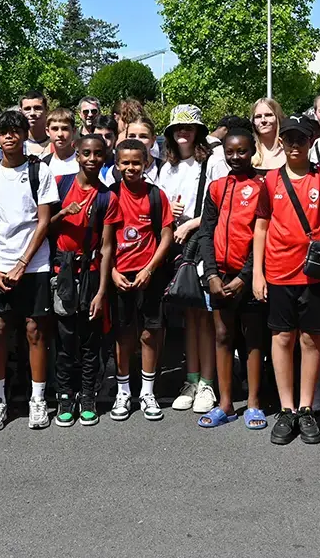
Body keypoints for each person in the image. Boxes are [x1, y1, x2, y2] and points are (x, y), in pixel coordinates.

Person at [253, 117, 320, 446]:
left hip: (314, 274)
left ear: (310, 141)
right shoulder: (271, 180)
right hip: (277, 271)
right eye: (288, 138)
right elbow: (261, 227)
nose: (294, 145)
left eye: (300, 139)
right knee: (282, 338)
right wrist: (258, 273)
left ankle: (306, 408)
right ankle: (286, 409)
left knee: (311, 340)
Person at [0, 110, 58, 430]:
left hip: (35, 265)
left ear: (26, 134)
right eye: (3, 132)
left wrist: (24, 262)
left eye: (15, 130)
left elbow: (44, 221)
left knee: (34, 331)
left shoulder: (40, 171)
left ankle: (37, 400)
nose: (9, 136)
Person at [196, 126, 268, 429]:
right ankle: (225, 404)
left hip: (249, 277)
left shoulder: (264, 185)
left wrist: (245, 275)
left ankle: (253, 403)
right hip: (220, 275)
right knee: (223, 336)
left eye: (242, 151)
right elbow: (206, 232)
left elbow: (265, 234)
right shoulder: (216, 187)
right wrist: (211, 274)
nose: (236, 157)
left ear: (253, 152)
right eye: (230, 152)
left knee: (253, 338)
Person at [104, 138, 174, 422]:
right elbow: (102, 241)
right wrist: (112, 273)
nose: (131, 167)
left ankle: (147, 392)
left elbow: (167, 234)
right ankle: (123, 391)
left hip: (149, 275)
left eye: (137, 162)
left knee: (149, 333)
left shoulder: (156, 195)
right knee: (123, 335)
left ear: (146, 163)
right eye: (125, 162)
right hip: (119, 275)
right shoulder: (109, 195)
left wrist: (150, 269)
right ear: (117, 165)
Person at [48, 133, 112, 426]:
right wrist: (64, 212)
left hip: (91, 272)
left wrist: (101, 291)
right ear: (77, 153)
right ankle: (64, 395)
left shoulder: (106, 196)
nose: (91, 159)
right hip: (63, 272)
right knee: (64, 338)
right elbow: (43, 227)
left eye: (98, 154)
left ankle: (87, 394)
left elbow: (108, 246)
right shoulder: (61, 185)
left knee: (89, 339)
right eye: (86, 153)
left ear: (104, 156)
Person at [158, 105, 215, 415]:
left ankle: (207, 382)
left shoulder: (211, 164)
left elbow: (217, 205)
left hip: (202, 246)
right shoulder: (167, 168)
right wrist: (172, 216)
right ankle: (191, 379)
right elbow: (160, 207)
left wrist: (191, 222)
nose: (183, 133)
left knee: (205, 316)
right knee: (189, 317)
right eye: (177, 128)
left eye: (189, 128)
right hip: (178, 249)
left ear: (198, 133)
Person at [251, 98, 286, 171]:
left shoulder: (289, 152)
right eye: (258, 116)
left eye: (268, 115)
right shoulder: (248, 152)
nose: (263, 120)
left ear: (278, 118)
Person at [44, 107, 80, 180]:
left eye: (65, 129)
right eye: (55, 129)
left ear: (74, 131)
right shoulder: (44, 164)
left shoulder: (82, 161)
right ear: (47, 131)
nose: (60, 134)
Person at [20, 91, 51, 157]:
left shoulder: (57, 143)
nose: (32, 113)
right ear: (21, 112)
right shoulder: (16, 145)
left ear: (46, 110)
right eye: (27, 109)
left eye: (37, 108)